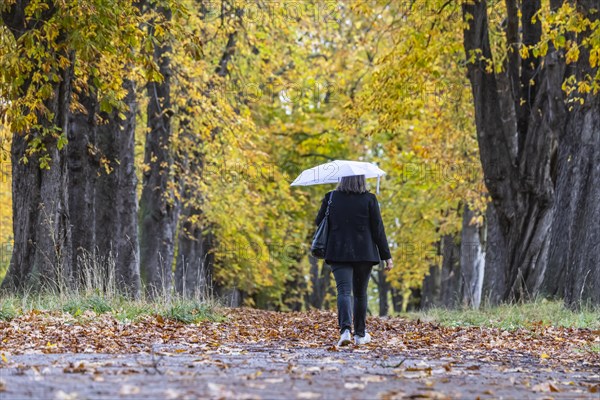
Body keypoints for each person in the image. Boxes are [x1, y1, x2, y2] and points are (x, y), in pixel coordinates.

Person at [314, 174, 393, 346]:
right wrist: (386, 256)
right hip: (364, 253)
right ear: (361, 180)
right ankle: (359, 334)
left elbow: (318, 221)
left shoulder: (331, 197)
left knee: (343, 291)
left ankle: (345, 332)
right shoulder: (370, 199)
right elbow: (378, 229)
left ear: (343, 179)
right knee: (360, 294)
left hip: (338, 251)